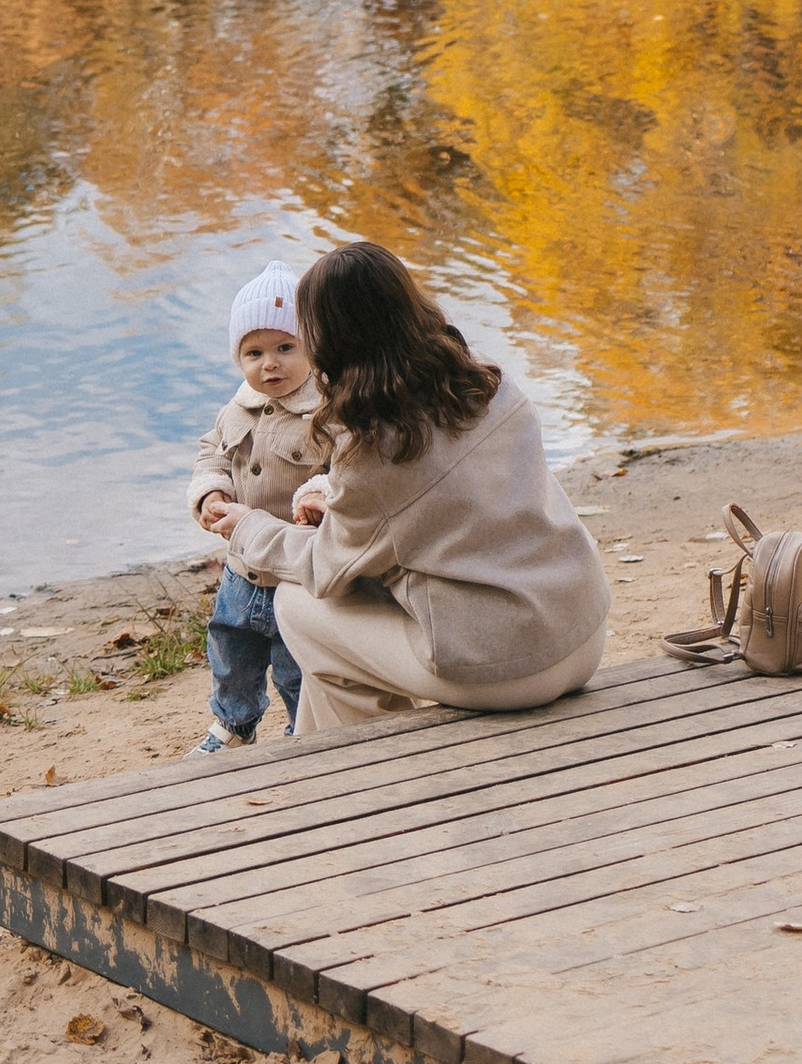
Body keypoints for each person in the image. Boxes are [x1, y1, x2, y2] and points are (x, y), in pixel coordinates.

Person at [207, 238, 609, 738]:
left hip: (511, 668)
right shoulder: (489, 383)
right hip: (582, 628)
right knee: (337, 675)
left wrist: (250, 526)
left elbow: (323, 570)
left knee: (299, 602)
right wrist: (336, 494)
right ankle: (329, 760)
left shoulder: (379, 450)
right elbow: (445, 500)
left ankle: (359, 769)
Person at [185, 261, 318, 752]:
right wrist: (211, 492)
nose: (271, 364)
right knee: (230, 646)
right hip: (241, 567)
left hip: (294, 566)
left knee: (293, 659)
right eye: (254, 352)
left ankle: (302, 729)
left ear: (312, 347)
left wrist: (318, 494)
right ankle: (234, 722)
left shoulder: (325, 410)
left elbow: (346, 466)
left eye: (286, 348)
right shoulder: (235, 409)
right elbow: (211, 453)